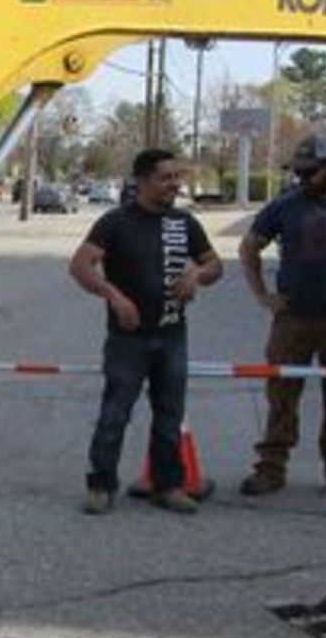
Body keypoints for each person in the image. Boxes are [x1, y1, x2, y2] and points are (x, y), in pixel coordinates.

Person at [69, 148, 224, 515]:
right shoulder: (115, 222)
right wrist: (113, 296)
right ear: (142, 181)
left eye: (177, 177)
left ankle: (167, 485)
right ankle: (101, 486)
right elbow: (80, 266)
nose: (175, 184)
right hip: (128, 340)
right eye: (166, 178)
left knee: (170, 414)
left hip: (173, 335)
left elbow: (215, 265)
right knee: (115, 413)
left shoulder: (185, 222)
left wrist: (197, 274)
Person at [237, 134, 326, 500]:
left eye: (310, 171)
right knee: (281, 393)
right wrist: (262, 295)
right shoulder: (284, 207)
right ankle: (271, 467)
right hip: (293, 316)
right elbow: (249, 246)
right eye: (299, 172)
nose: (302, 178)